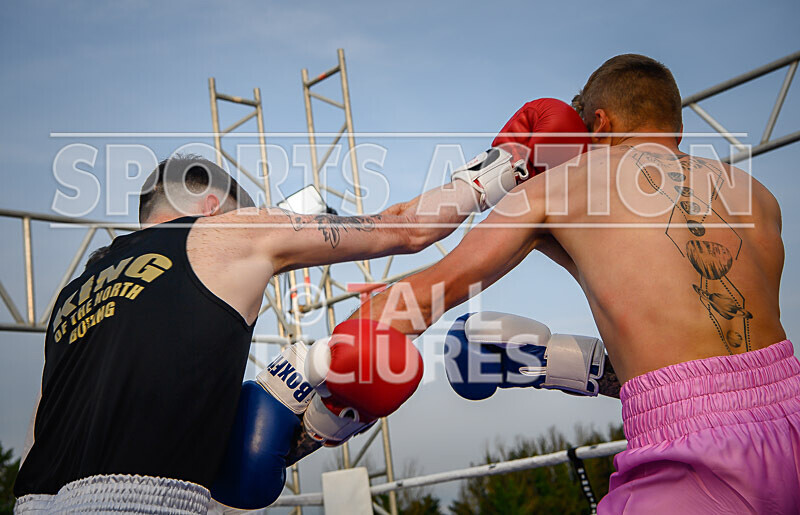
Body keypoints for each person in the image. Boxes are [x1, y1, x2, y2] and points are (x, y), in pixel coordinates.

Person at [356, 54, 800, 514]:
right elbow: (722, 363)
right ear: (676, 126)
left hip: (689, 465)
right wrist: (552, 364)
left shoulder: (560, 186)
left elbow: (430, 293)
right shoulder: (757, 197)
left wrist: (310, 394)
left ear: (599, 124)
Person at [11, 153, 477, 513]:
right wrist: (499, 171)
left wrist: (309, 430)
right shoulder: (225, 232)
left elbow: (43, 439)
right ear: (214, 207)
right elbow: (404, 228)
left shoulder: (71, 296)